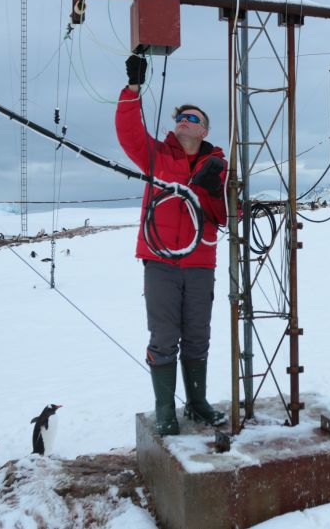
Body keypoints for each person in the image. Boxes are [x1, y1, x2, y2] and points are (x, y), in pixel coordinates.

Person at [115, 54, 228, 436]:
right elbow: (129, 133)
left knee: (197, 337)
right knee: (163, 338)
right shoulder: (157, 156)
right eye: (180, 116)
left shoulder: (218, 166)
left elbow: (226, 215)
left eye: (193, 117)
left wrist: (212, 190)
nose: (184, 120)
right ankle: (165, 411)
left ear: (204, 129)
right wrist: (133, 89)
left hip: (200, 263)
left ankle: (198, 403)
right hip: (160, 261)